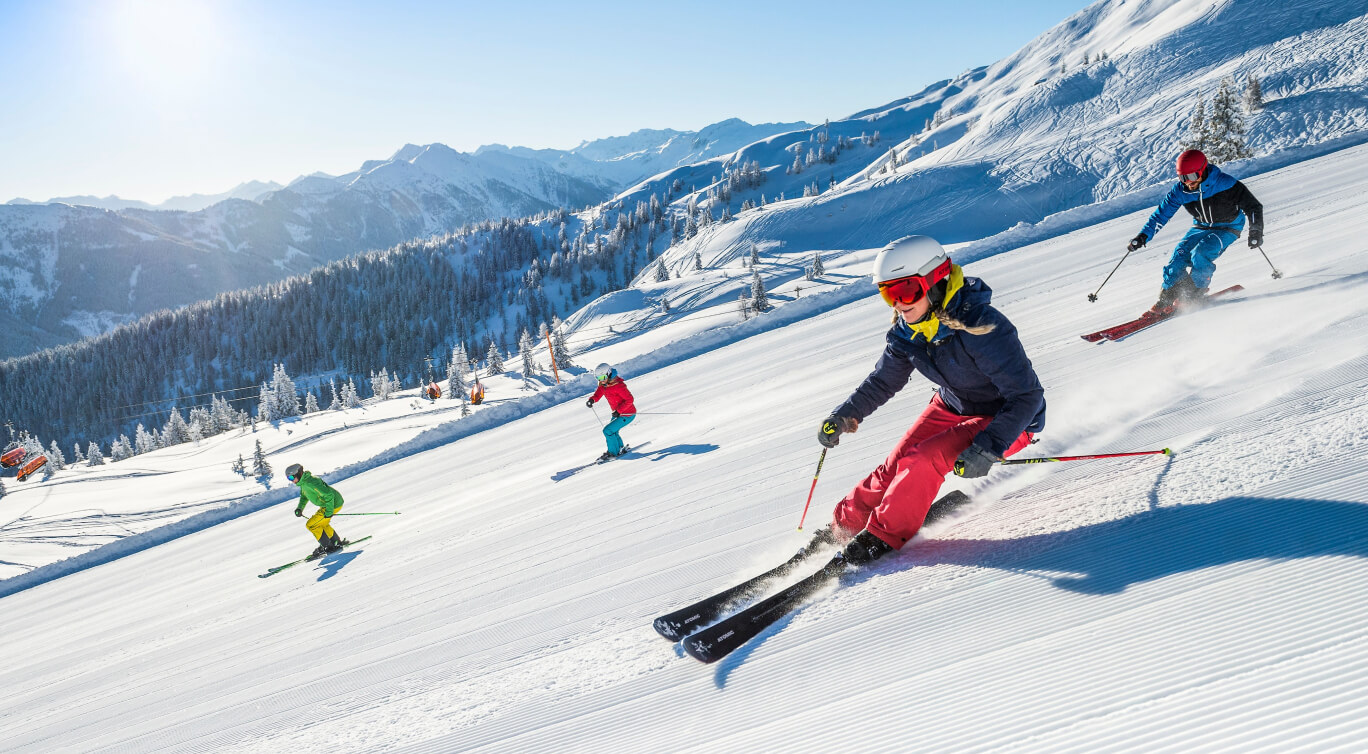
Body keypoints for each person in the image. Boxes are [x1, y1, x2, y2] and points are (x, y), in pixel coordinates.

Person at [816, 235, 1046, 565]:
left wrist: (989, 446)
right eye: (887, 293)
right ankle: (843, 526)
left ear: (935, 281)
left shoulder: (981, 325)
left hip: (1008, 419)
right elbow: (883, 381)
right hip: (952, 405)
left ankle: (883, 536)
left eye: (905, 290)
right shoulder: (908, 331)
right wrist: (845, 415)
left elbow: (1027, 395)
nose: (897, 303)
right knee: (892, 467)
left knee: (924, 459)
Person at [1127, 149, 1264, 314]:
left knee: (1201, 253)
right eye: (1182, 178)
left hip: (1228, 226)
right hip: (1201, 226)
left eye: (1191, 177)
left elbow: (1253, 206)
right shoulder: (1180, 191)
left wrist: (1255, 230)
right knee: (1178, 256)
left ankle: (1195, 292)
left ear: (1202, 170)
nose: (1187, 182)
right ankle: (1169, 296)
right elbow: (1161, 216)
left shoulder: (1225, 183)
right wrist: (1143, 236)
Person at [286, 463, 346, 558]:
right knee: (322, 524)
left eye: (291, 478)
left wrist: (329, 511)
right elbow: (304, 496)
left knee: (311, 525)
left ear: (298, 474)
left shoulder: (311, 482)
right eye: (289, 479)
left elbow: (328, 495)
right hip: (330, 504)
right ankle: (335, 542)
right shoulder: (303, 483)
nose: (291, 481)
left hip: (332, 504)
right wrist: (300, 508)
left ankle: (328, 546)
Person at [586, 363, 637, 462]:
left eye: (603, 377)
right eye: (598, 378)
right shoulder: (604, 385)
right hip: (618, 413)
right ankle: (619, 449)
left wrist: (619, 411)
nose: (601, 380)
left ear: (609, 374)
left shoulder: (618, 385)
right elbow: (598, 394)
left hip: (627, 414)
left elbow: (630, 399)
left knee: (608, 431)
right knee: (613, 431)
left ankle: (612, 453)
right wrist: (592, 400)